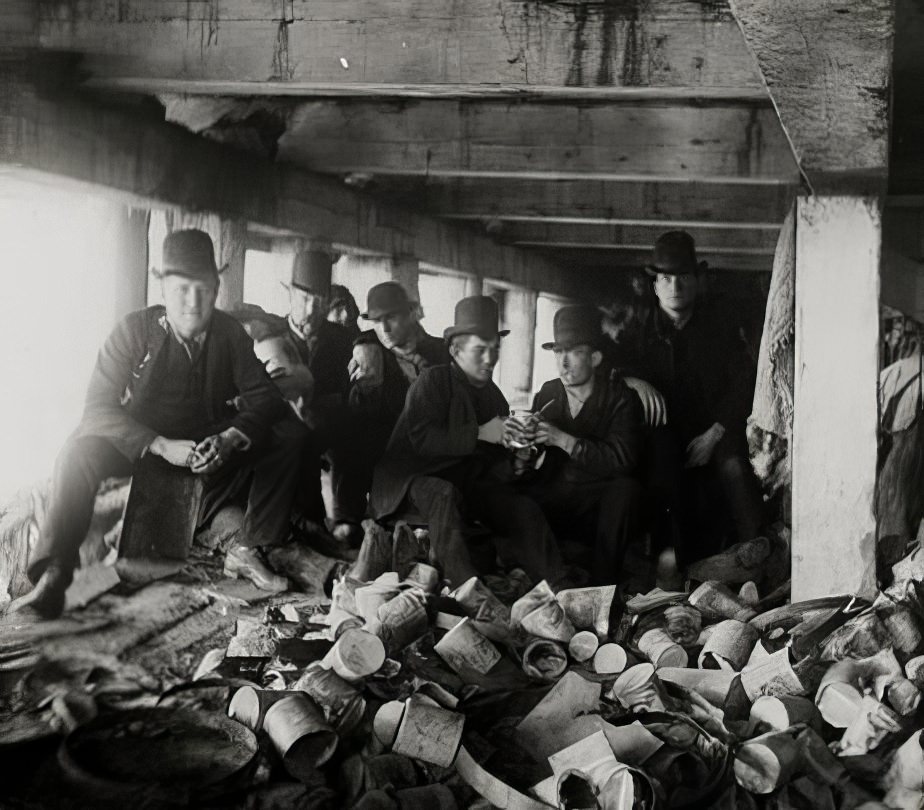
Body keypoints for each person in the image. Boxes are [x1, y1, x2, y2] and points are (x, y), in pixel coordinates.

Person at [9, 230, 305, 618]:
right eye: (182, 288)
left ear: (216, 288)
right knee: (78, 451)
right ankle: (54, 574)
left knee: (290, 433)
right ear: (162, 286)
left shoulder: (230, 334)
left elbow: (264, 396)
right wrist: (160, 444)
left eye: (203, 289)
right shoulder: (133, 331)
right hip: (140, 445)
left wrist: (229, 438)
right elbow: (97, 409)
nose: (193, 301)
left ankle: (249, 547)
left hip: (205, 446)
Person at [369, 296, 564, 587]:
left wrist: (518, 460)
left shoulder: (493, 395)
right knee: (442, 493)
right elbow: (422, 440)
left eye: (495, 349)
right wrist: (480, 432)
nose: (490, 359)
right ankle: (467, 588)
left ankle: (559, 585)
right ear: (456, 350)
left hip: (462, 482)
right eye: (480, 350)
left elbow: (491, 465)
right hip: (407, 482)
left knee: (520, 506)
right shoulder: (432, 381)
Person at [633, 230, 764, 566]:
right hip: (667, 436)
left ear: (696, 281)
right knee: (661, 469)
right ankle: (668, 565)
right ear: (655, 285)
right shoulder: (642, 329)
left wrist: (716, 432)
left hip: (714, 429)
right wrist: (631, 379)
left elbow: (744, 381)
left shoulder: (719, 326)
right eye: (666, 279)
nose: (675, 288)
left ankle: (758, 554)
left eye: (683, 278)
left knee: (734, 466)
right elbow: (609, 362)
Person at [507, 305, 645, 584]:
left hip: (599, 503)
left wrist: (564, 440)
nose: (564, 363)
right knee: (513, 496)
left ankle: (603, 587)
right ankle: (546, 580)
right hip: (559, 495)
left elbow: (623, 459)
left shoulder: (621, 398)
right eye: (558, 353)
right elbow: (534, 457)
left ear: (595, 358)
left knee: (626, 490)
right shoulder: (548, 392)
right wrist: (522, 454)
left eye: (574, 352)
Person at [331, 282, 449, 544]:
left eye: (391, 318)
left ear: (411, 314)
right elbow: (358, 410)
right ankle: (349, 517)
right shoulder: (371, 349)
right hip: (386, 444)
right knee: (351, 432)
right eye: (376, 320)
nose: (383, 328)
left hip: (431, 449)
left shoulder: (441, 351)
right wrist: (361, 389)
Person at [283, 248, 354, 526]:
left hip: (329, 423)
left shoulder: (343, 339)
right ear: (290, 293)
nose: (311, 310)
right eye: (304, 299)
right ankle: (301, 521)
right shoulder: (273, 335)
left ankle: (345, 519)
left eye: (320, 302)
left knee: (354, 439)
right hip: (284, 425)